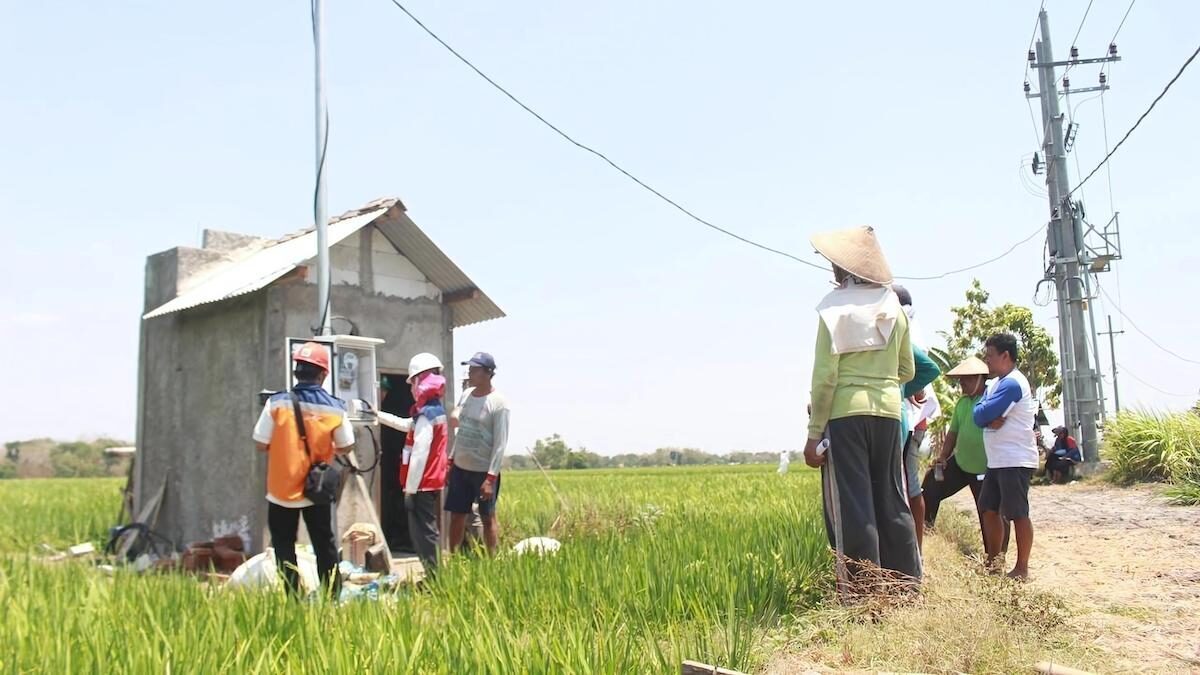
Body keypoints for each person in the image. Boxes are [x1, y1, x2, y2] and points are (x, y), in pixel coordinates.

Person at [803, 226, 922, 592]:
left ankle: (864, 591)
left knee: (855, 502)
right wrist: (882, 379)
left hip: (846, 415)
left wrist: (813, 436)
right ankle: (906, 585)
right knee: (892, 495)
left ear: (841, 269)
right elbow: (908, 370)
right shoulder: (893, 308)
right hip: (887, 412)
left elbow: (825, 379)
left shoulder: (832, 309)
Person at [253, 342, 355, 598]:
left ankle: (293, 597)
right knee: (324, 544)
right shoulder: (336, 407)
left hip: (281, 490)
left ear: (297, 371)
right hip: (316, 488)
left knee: (284, 545)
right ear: (323, 374)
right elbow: (346, 446)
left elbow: (260, 442)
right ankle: (332, 598)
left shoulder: (276, 403)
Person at [921, 356, 1010, 554]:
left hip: (986, 467)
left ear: (980, 378)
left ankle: (996, 557)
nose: (961, 383)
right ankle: (926, 531)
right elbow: (953, 433)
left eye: (967, 379)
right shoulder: (962, 403)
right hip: (961, 463)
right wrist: (943, 456)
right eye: (960, 379)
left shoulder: (992, 398)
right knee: (931, 485)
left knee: (990, 510)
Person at [974, 333, 1039, 581]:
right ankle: (994, 561)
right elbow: (978, 413)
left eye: (990, 356)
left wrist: (986, 415)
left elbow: (982, 415)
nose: (986, 361)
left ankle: (1022, 568)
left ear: (1005, 356)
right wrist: (986, 415)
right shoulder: (994, 385)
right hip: (997, 460)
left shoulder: (1013, 383)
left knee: (1017, 512)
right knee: (988, 509)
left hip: (1015, 459)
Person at [891, 286, 941, 552]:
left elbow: (920, 374)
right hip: (911, 419)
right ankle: (913, 551)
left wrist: (906, 389)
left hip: (910, 420)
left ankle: (914, 551)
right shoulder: (910, 325)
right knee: (906, 481)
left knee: (907, 482)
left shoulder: (904, 326)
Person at [446, 352, 510, 556]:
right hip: (460, 467)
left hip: (483, 472)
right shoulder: (466, 395)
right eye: (470, 369)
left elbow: (500, 443)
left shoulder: (498, 403)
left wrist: (491, 478)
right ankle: (453, 559)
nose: (470, 373)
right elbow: (461, 430)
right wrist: (450, 461)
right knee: (457, 515)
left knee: (487, 516)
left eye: (475, 369)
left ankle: (493, 561)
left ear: (488, 373)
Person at [398, 353, 450, 577]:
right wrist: (376, 415)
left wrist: (409, 491)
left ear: (421, 382)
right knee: (426, 531)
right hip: (429, 483)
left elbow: (418, 456)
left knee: (424, 534)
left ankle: (435, 578)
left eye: (413, 383)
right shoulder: (432, 412)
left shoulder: (426, 416)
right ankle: (434, 576)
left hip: (421, 485)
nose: (411, 389)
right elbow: (406, 425)